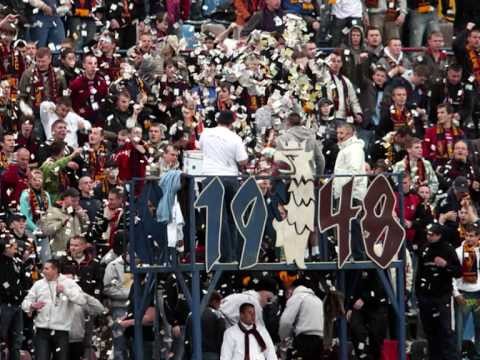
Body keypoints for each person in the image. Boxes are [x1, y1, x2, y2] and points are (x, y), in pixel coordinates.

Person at [199, 110, 248, 262]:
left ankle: (220, 255)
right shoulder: (235, 138)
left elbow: (201, 150)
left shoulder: (205, 133)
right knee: (232, 217)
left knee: (217, 218)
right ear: (232, 123)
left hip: (210, 178)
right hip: (229, 177)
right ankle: (232, 255)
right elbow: (242, 161)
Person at [21, 259, 87, 360]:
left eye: (47, 269)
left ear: (55, 270)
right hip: (42, 331)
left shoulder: (69, 283)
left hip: (61, 332)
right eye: (43, 268)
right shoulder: (38, 284)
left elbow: (82, 300)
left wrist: (65, 290)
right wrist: (32, 305)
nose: (43, 271)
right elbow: (25, 303)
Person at [415, 223, 462, 360]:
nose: (429, 237)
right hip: (425, 296)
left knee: (445, 331)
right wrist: (418, 293)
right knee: (430, 332)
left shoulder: (448, 249)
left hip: (441, 296)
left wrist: (446, 265)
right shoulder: (425, 248)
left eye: (432, 234)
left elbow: (458, 272)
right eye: (428, 234)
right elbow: (420, 272)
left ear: (439, 235)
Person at [333, 122, 367, 259]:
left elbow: (354, 172)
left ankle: (358, 255)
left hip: (351, 193)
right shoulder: (345, 149)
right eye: (337, 133)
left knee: (353, 224)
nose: (339, 136)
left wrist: (345, 189)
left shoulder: (354, 149)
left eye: (342, 133)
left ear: (350, 134)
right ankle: (349, 253)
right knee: (346, 225)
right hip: (345, 192)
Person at [278, 279, 324, 360]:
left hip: (303, 341)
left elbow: (286, 321)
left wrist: (283, 338)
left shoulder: (297, 297)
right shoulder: (318, 300)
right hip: (320, 340)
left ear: (291, 289)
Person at [0, 239, 29, 360]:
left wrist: (21, 295)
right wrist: (12, 294)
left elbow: (23, 280)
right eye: (13, 247)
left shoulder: (17, 262)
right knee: (1, 338)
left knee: (17, 340)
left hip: (17, 305)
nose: (16, 250)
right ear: (5, 248)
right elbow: (2, 283)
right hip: (4, 304)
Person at [453, 222, 480, 355]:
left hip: (478, 295)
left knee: (479, 326)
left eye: (472, 236)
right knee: (459, 328)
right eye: (467, 235)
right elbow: (451, 275)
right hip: (463, 294)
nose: (469, 238)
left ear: (478, 237)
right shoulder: (458, 252)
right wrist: (456, 293)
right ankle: (457, 354)